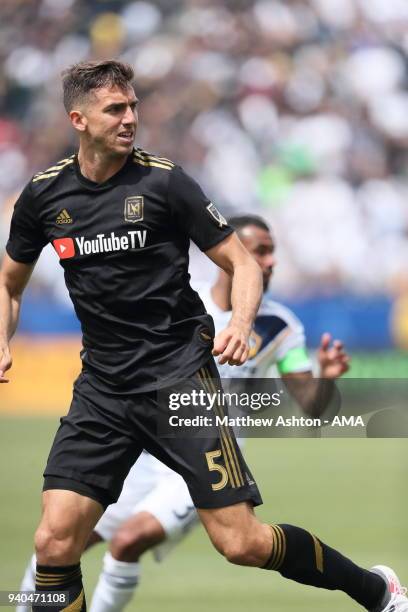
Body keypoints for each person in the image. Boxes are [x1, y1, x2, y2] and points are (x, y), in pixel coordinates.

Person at [0, 60, 405, 612]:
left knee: (241, 543)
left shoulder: (164, 182)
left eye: (133, 106)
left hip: (179, 382)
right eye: (115, 109)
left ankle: (375, 589)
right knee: (53, 541)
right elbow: (9, 283)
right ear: (78, 118)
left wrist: (239, 324)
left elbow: (242, 263)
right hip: (102, 389)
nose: (129, 118)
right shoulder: (44, 198)